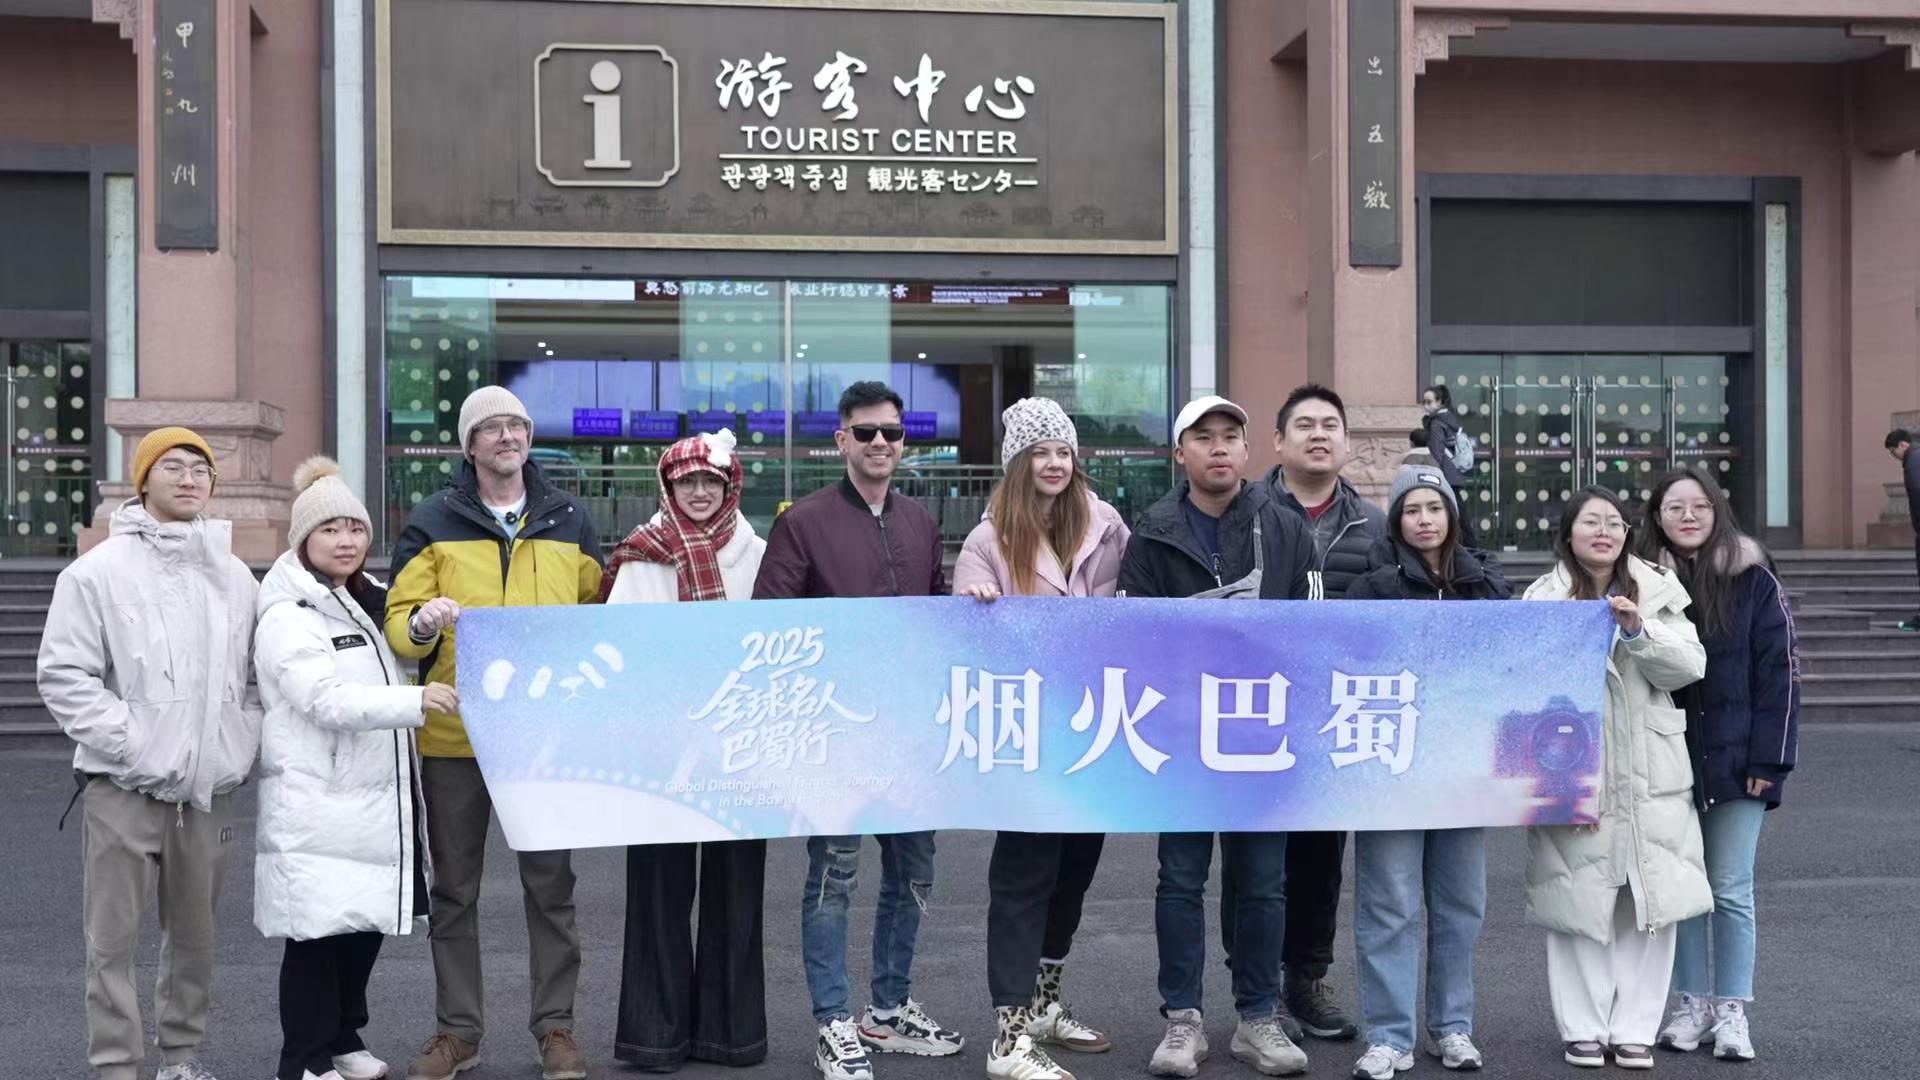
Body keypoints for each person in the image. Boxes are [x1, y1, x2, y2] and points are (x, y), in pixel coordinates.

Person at [384, 386, 604, 1080]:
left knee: (552, 890)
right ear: (470, 445)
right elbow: (401, 625)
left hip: (543, 739)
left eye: (517, 425)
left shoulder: (569, 517)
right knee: (454, 891)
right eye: (492, 428)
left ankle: (556, 1029)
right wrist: (422, 626)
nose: (508, 436)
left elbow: (598, 612)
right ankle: (458, 1033)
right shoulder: (433, 519)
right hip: (456, 738)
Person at [752, 380, 964, 1080]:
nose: (880, 443)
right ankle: (832, 1021)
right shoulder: (803, 522)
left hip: (910, 735)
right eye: (866, 432)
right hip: (834, 738)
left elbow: (937, 614)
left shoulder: (921, 521)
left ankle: (889, 1008)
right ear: (841, 440)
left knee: (914, 871)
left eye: (892, 433)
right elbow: (770, 627)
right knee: (834, 875)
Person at [39, 427, 262, 1080]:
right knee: (110, 940)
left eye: (201, 469)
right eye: (173, 466)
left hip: (209, 790)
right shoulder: (96, 573)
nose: (190, 478)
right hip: (123, 788)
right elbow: (64, 675)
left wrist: (240, 738)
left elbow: (258, 677)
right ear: (143, 480)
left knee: (195, 938)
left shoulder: (235, 578)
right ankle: (116, 1063)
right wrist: (132, 743)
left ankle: (181, 1057)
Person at [1118, 395, 1318, 1079]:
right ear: (1181, 454)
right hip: (1181, 734)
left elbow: (1312, 629)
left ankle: (1257, 1017)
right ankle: (1183, 1021)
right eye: (1203, 437)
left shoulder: (1283, 526)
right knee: (1179, 880)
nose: (1220, 447)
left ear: (1247, 448)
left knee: (1262, 882)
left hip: (1262, 730)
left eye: (1231, 435)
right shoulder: (1152, 533)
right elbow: (1134, 637)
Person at [254, 458, 455, 1080]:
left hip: (372, 795)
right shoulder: (290, 612)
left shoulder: (366, 597)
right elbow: (323, 699)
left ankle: (343, 1039)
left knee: (361, 923)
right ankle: (304, 1060)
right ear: (303, 539)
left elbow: (395, 659)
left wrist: (421, 629)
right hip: (320, 795)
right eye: (330, 529)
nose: (345, 540)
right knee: (316, 935)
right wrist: (413, 702)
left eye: (355, 528)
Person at [954, 398, 1131, 1080]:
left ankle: (1043, 1006)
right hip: (1027, 733)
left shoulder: (1107, 525)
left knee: (1074, 872)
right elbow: (964, 642)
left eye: (1063, 450)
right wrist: (974, 608)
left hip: (1094, 727)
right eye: (1040, 453)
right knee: (1023, 878)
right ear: (1017, 464)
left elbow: (1137, 604)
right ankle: (1007, 1037)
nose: (1054, 463)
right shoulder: (987, 540)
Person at [598, 430, 769, 1072]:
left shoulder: (758, 553)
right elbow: (615, 647)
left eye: (710, 482)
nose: (699, 492)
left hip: (739, 745)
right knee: (657, 892)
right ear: (667, 487)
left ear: (729, 487)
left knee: (737, 893)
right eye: (686, 482)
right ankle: (655, 1037)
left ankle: (731, 1034)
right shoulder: (641, 553)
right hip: (659, 745)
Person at [1521, 488, 1710, 1071]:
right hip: (1571, 764)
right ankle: (1582, 1028)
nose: (1604, 531)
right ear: (1568, 534)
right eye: (1590, 522)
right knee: (1577, 894)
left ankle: (1635, 1029)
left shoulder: (1656, 589)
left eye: (1614, 523)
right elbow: (1521, 677)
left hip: (1651, 765)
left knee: (1647, 895)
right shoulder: (1542, 596)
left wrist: (1637, 632)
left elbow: (1690, 665)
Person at [1342, 465, 1511, 1078]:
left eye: (1434, 508)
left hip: (1465, 768)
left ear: (1451, 516)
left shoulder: (1486, 583)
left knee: (1460, 904)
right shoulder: (1371, 587)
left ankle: (1452, 1027)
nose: (1424, 520)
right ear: (1396, 520)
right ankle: (1389, 1036)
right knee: (1389, 904)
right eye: (1411, 510)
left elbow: (1515, 659)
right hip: (1390, 768)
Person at [1637, 467, 1799, 1063]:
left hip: (1739, 762)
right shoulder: (1645, 584)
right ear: (1657, 518)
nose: (1687, 516)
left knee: (1729, 889)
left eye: (1699, 505)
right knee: (1681, 890)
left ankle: (1732, 1009)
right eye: (1674, 507)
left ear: (1717, 511)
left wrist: (1770, 760)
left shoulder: (1753, 580)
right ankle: (1691, 1004)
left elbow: (1780, 675)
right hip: (1667, 761)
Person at [1248, 384, 1385, 1044]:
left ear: (1347, 443)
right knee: (1257, 862)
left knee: (1322, 858)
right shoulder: (1248, 514)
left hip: (1337, 714)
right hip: (1259, 710)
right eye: (1304, 424)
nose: (1319, 434)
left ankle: (1305, 978)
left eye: (1331, 424)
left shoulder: (1375, 526)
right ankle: (1257, 992)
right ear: (1279, 442)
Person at [1419, 385, 1478, 547]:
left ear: (1439, 402)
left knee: (1454, 515)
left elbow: (1437, 453)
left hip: (1444, 475)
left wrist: (1433, 475)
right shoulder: (1449, 419)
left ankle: (1469, 548)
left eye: (1429, 401)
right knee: (1457, 513)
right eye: (1424, 402)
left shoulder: (1436, 423)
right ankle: (1468, 547)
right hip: (1453, 473)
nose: (1426, 405)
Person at [1884, 430, 1920, 631]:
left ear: (1903, 445)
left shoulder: (1913, 460)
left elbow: (1917, 490)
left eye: (1893, 451)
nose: (1894, 456)